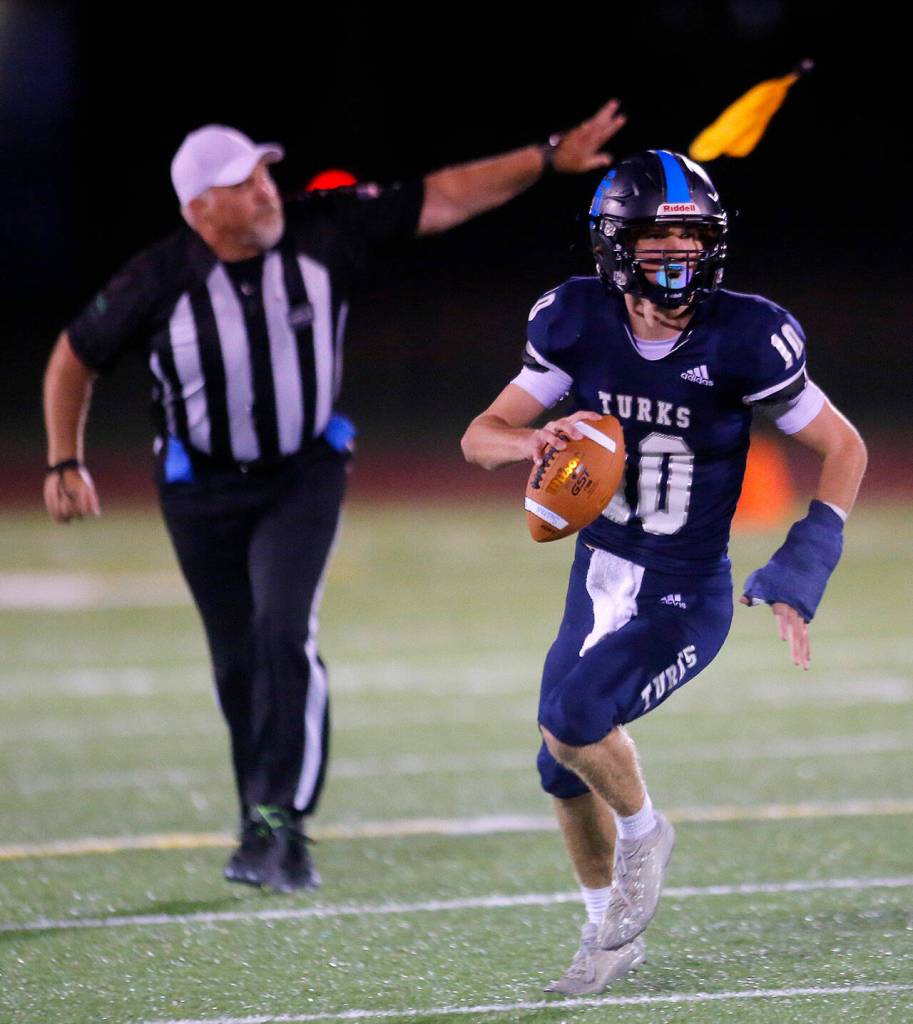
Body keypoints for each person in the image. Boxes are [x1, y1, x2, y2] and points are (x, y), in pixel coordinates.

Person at [42, 104, 628, 892]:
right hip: (200, 487)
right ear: (198, 209)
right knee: (236, 657)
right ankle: (258, 812)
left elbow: (444, 193)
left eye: (262, 174)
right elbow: (73, 359)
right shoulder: (157, 278)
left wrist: (545, 155)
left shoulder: (324, 231)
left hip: (301, 473)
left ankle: (283, 820)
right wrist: (62, 459)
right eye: (240, 184)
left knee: (284, 629)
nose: (264, 191)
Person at [461, 150, 867, 994]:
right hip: (599, 573)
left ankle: (645, 833)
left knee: (574, 718)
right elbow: (481, 434)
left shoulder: (744, 335)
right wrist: (527, 440)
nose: (677, 252)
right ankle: (605, 937)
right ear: (615, 244)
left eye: (692, 233)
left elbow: (841, 446)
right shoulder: (574, 321)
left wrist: (807, 555)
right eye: (657, 236)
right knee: (555, 764)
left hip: (684, 592)